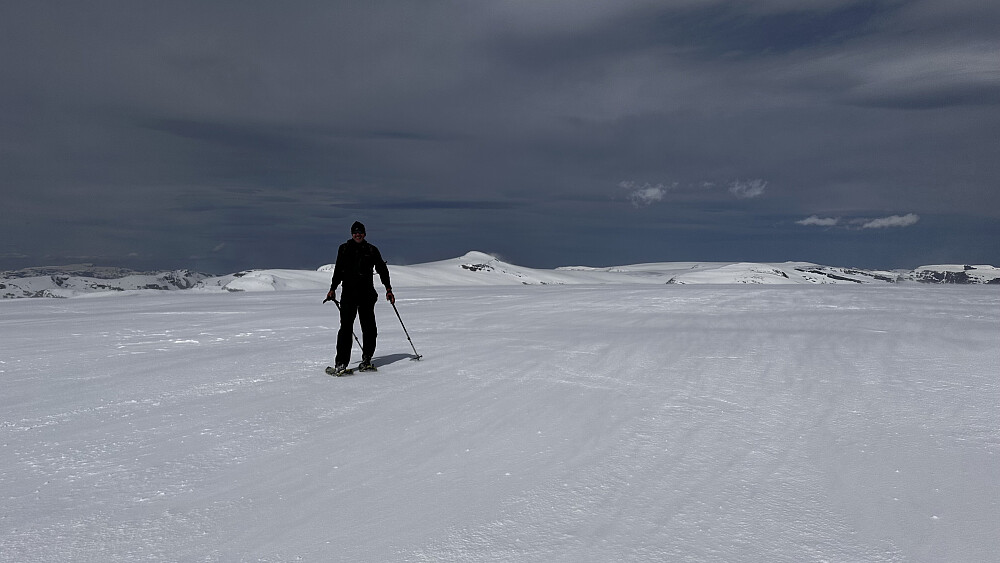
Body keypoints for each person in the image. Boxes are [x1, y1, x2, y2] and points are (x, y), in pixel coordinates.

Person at [326, 221, 394, 374]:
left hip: (367, 294)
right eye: (355, 232)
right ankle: (341, 363)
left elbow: (382, 270)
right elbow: (338, 270)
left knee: (369, 328)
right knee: (345, 329)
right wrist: (332, 288)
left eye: (360, 232)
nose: (358, 234)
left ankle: (367, 358)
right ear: (352, 234)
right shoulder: (344, 249)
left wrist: (388, 288)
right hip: (348, 294)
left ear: (364, 234)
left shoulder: (371, 250)